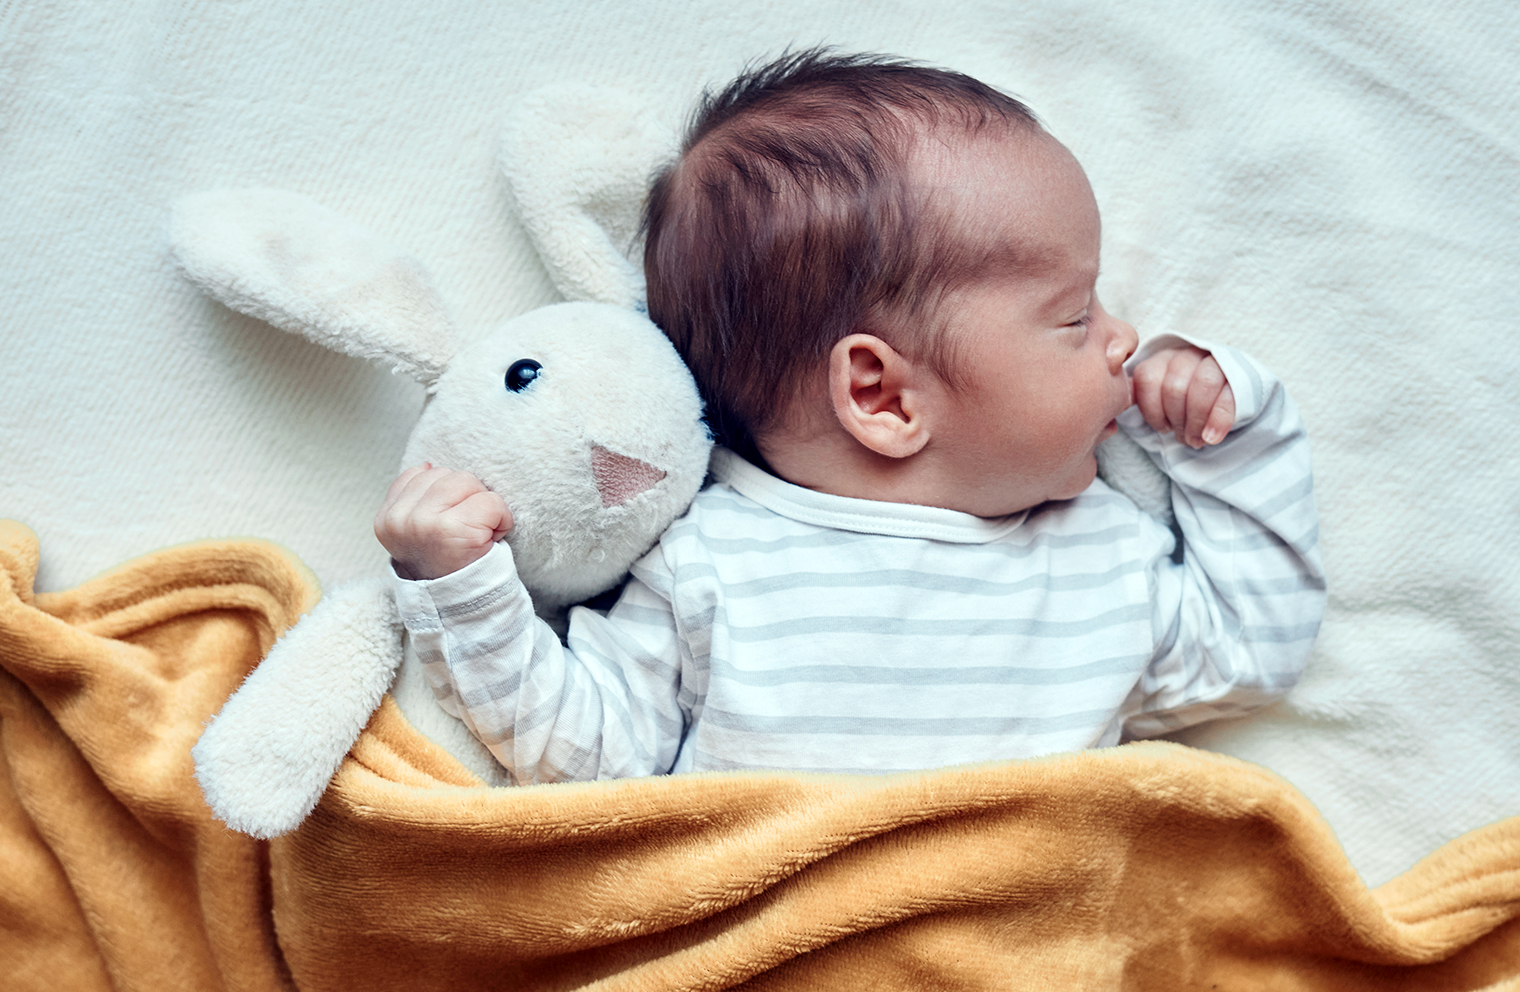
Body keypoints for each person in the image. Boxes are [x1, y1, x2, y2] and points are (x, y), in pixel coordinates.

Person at [374, 50, 1325, 784]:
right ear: (881, 396)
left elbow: (1255, 644)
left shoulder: (1104, 561)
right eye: (1077, 318)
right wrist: (466, 588)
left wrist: (1226, 433)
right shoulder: (712, 569)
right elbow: (585, 752)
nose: (1126, 342)